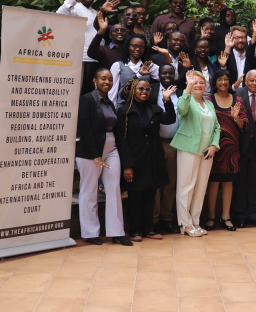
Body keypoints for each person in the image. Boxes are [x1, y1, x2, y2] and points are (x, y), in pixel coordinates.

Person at [115, 78, 177, 242]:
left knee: (150, 194)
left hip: (153, 158)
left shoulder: (154, 108)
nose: (144, 92)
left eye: (147, 89)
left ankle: (149, 229)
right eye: (141, 89)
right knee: (135, 196)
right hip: (135, 159)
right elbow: (122, 140)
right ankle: (134, 230)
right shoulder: (124, 111)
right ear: (134, 90)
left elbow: (170, 119)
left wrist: (167, 100)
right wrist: (127, 165)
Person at [75, 69, 132, 246]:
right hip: (90, 152)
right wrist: (96, 155)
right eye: (103, 78)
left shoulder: (109, 103)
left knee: (114, 188)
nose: (107, 82)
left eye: (110, 79)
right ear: (94, 80)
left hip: (111, 148)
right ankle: (91, 233)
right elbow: (84, 127)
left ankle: (117, 232)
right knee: (89, 191)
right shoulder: (87, 99)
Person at [171, 71, 220, 236]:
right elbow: (181, 109)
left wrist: (214, 145)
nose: (198, 85)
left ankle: (196, 221)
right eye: (195, 82)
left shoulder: (209, 103)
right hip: (188, 149)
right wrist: (188, 87)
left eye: (201, 82)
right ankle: (185, 224)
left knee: (201, 187)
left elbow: (217, 127)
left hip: (206, 152)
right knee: (186, 187)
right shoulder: (185, 99)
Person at [58, 0, 120, 94]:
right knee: (80, 93)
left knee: (94, 93)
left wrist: (102, 11)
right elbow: (59, 15)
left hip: (97, 58)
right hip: (82, 59)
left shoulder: (94, 12)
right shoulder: (73, 8)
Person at [204, 69, 246, 232]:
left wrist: (236, 117)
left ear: (230, 82)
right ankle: (210, 217)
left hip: (231, 149)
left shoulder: (238, 100)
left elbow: (244, 126)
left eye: (226, 79)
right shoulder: (208, 100)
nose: (223, 82)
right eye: (220, 79)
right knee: (213, 183)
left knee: (228, 183)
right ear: (215, 83)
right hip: (213, 148)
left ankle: (226, 217)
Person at [235, 70, 256, 227]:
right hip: (241, 144)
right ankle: (240, 215)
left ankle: (253, 214)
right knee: (241, 181)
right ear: (246, 82)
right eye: (252, 80)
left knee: (255, 181)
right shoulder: (238, 94)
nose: (255, 83)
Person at [154, 65, 181, 233]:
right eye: (164, 73)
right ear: (159, 75)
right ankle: (154, 220)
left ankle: (167, 219)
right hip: (157, 143)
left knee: (170, 185)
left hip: (175, 144)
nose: (167, 75)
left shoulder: (180, 91)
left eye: (170, 73)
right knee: (156, 184)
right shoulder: (151, 90)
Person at [110, 35, 157, 108]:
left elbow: (171, 76)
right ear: (128, 46)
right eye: (134, 46)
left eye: (141, 47)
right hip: (123, 107)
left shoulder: (148, 66)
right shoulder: (118, 65)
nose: (138, 49)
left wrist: (166, 54)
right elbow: (113, 91)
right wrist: (113, 110)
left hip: (143, 108)